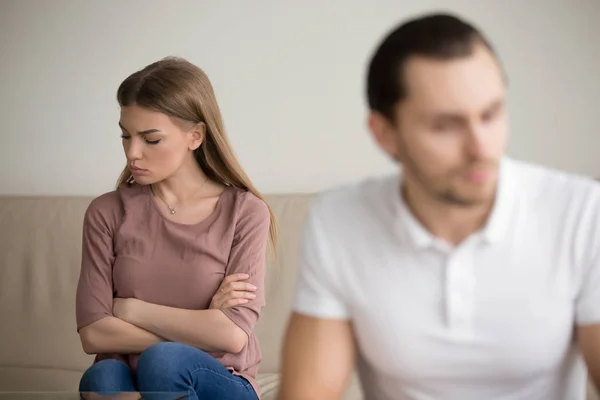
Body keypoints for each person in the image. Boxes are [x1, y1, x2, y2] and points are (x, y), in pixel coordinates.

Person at [278, 12, 600, 400]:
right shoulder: (338, 223)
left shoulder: (581, 213)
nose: (481, 149)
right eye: (446, 125)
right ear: (385, 135)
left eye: (491, 114)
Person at [75, 57, 276, 400]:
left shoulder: (245, 212)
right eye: (126, 136)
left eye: (151, 139)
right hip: (130, 380)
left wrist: (131, 309)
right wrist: (202, 326)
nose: (132, 153)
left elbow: (232, 337)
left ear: (195, 136)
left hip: (221, 381)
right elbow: (94, 334)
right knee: (102, 377)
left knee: (164, 362)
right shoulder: (106, 212)